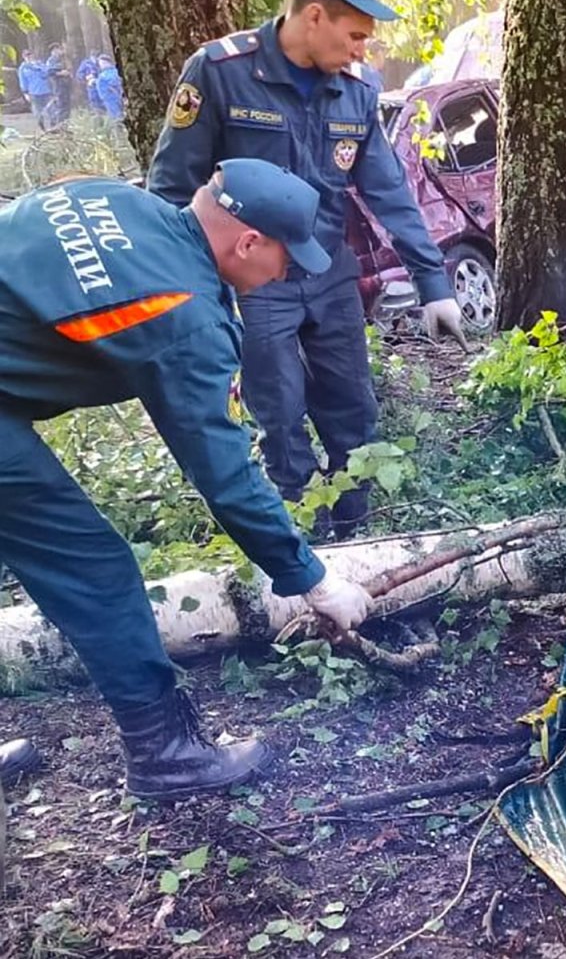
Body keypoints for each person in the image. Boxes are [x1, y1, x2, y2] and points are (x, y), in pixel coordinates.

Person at [0, 159, 377, 800]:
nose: (287, 275)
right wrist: (312, 579)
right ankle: (165, 754)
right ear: (248, 242)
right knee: (96, 570)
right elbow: (223, 474)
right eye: (288, 259)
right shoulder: (184, 313)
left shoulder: (121, 201)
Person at [147, 0, 466, 541]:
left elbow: (389, 191)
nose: (362, 48)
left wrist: (432, 284)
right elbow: (170, 191)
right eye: (354, 33)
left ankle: (362, 541)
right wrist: (189, 299)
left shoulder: (356, 92)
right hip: (253, 285)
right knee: (282, 422)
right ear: (313, 15)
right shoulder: (219, 73)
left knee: (354, 416)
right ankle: (304, 552)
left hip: (328, 278)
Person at [18, 49, 52, 127]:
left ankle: (53, 126)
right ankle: (42, 127)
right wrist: (25, 93)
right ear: (23, 57)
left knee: (51, 109)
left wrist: (38, 67)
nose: (29, 57)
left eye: (30, 54)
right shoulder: (23, 68)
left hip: (46, 90)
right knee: (38, 111)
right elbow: (23, 81)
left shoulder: (40, 64)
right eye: (27, 55)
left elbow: (46, 73)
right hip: (33, 92)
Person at [94, 54, 124, 122]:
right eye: (100, 64)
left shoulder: (117, 71)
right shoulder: (101, 77)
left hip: (121, 96)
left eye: (104, 63)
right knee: (116, 116)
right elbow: (102, 92)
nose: (102, 65)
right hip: (110, 99)